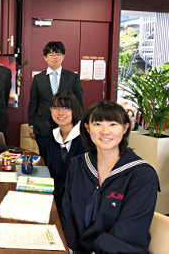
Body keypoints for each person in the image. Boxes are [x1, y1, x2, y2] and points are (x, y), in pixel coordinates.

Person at [62, 101, 159, 253]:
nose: (105, 131)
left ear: (125, 128)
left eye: (113, 124)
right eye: (98, 124)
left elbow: (129, 231)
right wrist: (68, 248)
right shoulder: (78, 165)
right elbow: (67, 214)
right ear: (87, 128)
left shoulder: (142, 175)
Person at [28, 41, 83, 164]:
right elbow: (33, 102)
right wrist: (31, 125)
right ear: (45, 58)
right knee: (45, 160)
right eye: (50, 54)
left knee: (65, 160)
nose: (54, 57)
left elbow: (79, 103)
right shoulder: (38, 78)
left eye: (57, 54)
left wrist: (79, 124)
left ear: (63, 57)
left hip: (66, 127)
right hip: (43, 127)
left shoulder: (72, 77)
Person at [45, 91, 85, 219]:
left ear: (74, 110)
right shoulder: (52, 136)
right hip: (55, 199)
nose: (60, 113)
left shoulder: (86, 138)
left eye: (66, 108)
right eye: (56, 108)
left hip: (77, 205)